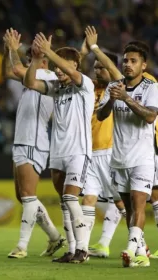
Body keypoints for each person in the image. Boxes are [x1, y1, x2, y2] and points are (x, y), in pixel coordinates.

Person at [24, 33, 95, 263]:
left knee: (71, 198)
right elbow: (29, 83)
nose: (59, 70)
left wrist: (49, 51)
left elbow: (73, 73)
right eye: (55, 67)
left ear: (75, 65)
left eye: (62, 66)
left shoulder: (85, 85)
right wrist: (36, 59)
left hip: (78, 151)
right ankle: (72, 249)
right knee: (65, 202)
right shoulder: (56, 88)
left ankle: (83, 249)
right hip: (58, 153)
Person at [2, 29, 66, 259]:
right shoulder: (32, 75)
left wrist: (13, 49)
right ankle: (54, 237)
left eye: (34, 57)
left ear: (45, 60)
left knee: (28, 195)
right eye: (29, 57)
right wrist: (6, 50)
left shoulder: (48, 77)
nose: (30, 61)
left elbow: (17, 69)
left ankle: (21, 246)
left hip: (34, 140)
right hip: (22, 140)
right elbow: (8, 71)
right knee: (23, 196)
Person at [97, 40, 158, 268]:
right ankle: (141, 255)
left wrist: (126, 98)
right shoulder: (115, 86)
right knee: (129, 210)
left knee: (139, 204)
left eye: (133, 61)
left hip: (142, 158)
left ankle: (130, 250)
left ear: (144, 65)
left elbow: (150, 116)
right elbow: (101, 116)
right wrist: (112, 100)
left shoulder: (151, 87)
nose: (128, 65)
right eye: (125, 61)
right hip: (119, 158)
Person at [78, 26, 126, 258]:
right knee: (89, 198)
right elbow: (71, 69)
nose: (98, 71)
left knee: (120, 202)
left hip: (110, 152)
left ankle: (140, 243)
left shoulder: (117, 89)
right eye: (95, 68)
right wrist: (83, 51)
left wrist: (95, 49)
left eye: (102, 67)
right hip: (89, 152)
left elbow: (116, 73)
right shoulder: (88, 88)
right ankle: (86, 248)